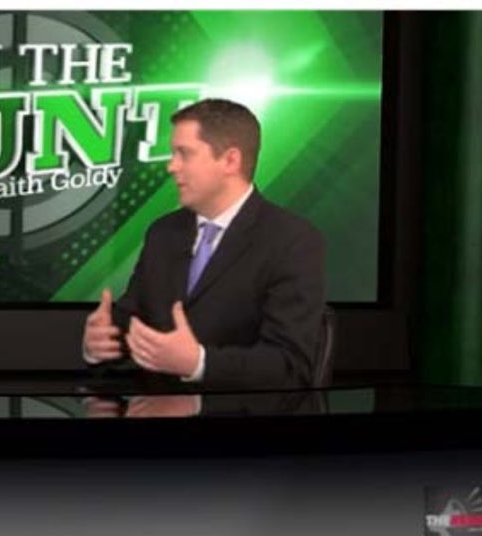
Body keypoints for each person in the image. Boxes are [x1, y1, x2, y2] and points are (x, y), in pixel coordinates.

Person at [81, 98, 326, 418]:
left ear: (230, 160)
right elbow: (132, 327)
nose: (171, 166)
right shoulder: (163, 234)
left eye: (184, 153)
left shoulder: (292, 241)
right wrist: (101, 345)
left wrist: (198, 363)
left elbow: (290, 368)